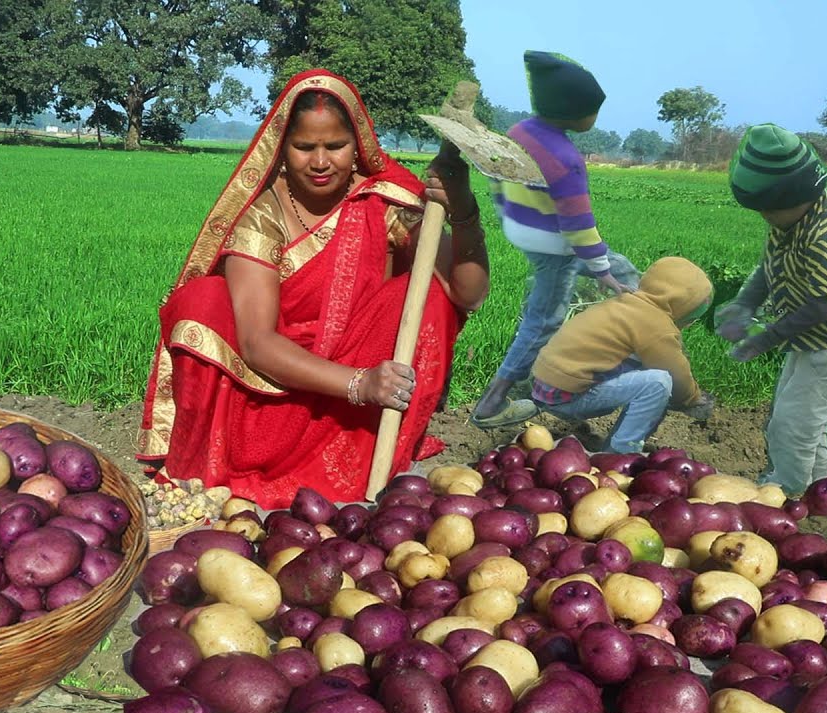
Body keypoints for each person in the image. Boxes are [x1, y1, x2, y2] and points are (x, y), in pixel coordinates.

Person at [136, 69, 491, 509]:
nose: (320, 162)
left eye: (335, 146)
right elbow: (258, 343)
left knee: (429, 296)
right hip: (272, 392)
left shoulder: (382, 204)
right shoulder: (261, 217)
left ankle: (371, 462)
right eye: (305, 147)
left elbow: (467, 293)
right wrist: (361, 384)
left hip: (352, 405)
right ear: (282, 149)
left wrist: (464, 210)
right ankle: (215, 462)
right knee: (202, 300)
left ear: (357, 144)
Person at [470, 50, 641, 429]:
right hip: (556, 245)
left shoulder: (519, 133)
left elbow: (497, 181)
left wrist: (510, 216)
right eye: (594, 110)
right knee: (544, 320)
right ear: (573, 111)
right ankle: (492, 402)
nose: (596, 118)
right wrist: (600, 271)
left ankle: (647, 334)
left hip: (531, 233)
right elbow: (579, 224)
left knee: (627, 274)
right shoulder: (566, 159)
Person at [715, 124, 827, 495]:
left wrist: (765, 339)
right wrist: (745, 303)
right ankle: (822, 490)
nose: (766, 217)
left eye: (771, 209)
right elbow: (767, 268)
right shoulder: (789, 225)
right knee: (799, 421)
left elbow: (822, 304)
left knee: (792, 424)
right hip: (812, 345)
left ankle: (784, 493)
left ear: (802, 194)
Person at [530, 257, 716, 453]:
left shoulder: (624, 303)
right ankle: (619, 454)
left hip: (545, 387)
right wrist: (692, 398)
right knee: (659, 382)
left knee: (645, 369)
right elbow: (676, 371)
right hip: (568, 398)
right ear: (682, 306)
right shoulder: (655, 324)